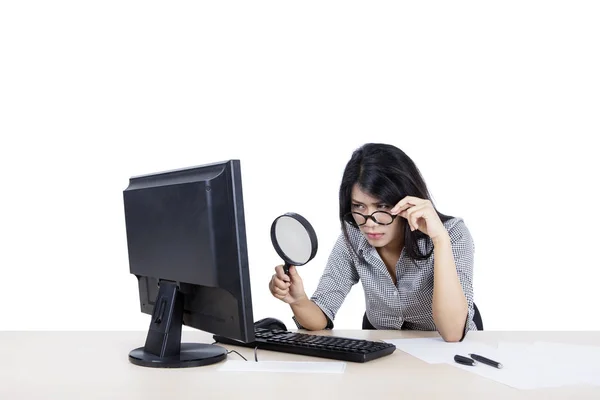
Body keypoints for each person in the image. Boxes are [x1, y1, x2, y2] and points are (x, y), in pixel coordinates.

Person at [268, 142, 477, 342]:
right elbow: (321, 317)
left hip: (445, 354)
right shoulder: (353, 237)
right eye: (359, 207)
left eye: (383, 206)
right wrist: (298, 300)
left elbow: (452, 334)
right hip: (386, 355)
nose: (369, 223)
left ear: (406, 201)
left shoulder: (452, 234)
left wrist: (440, 240)